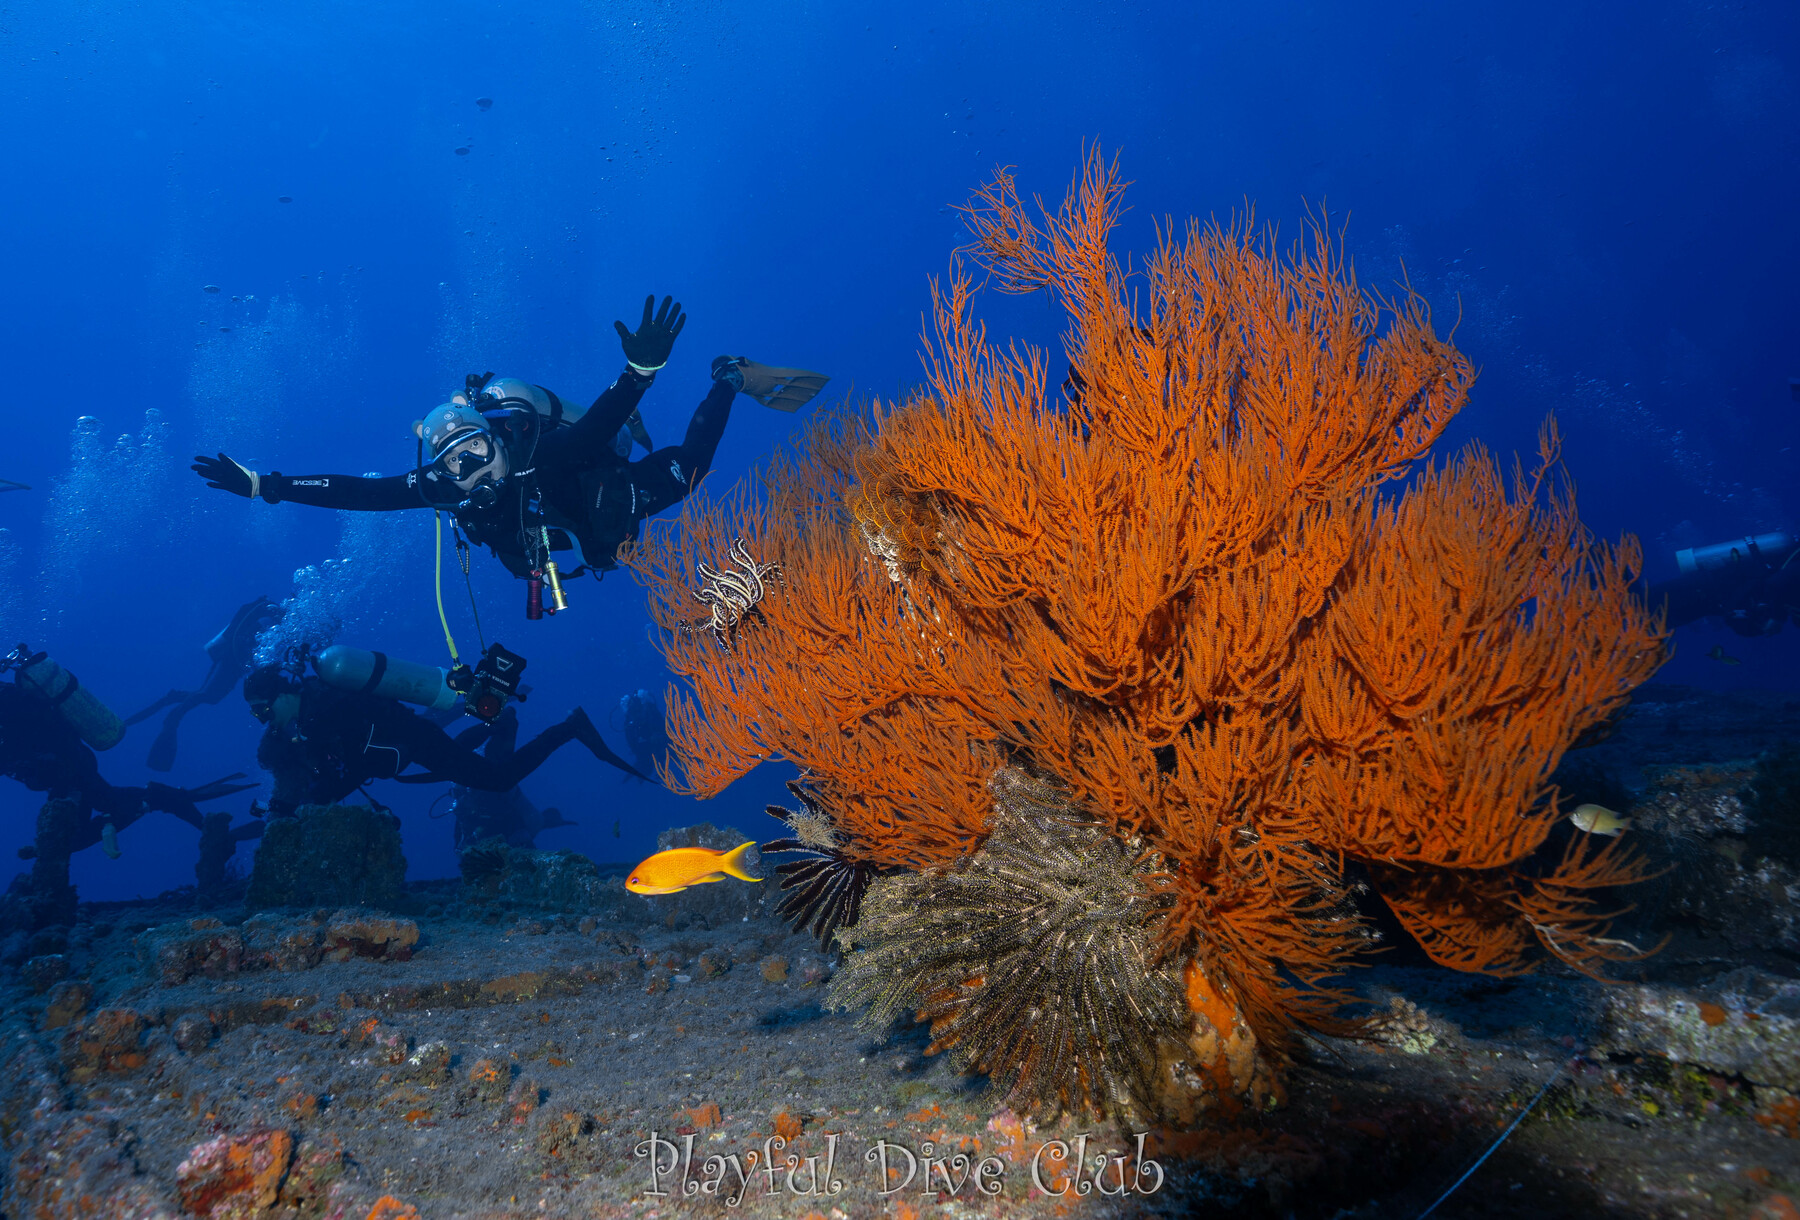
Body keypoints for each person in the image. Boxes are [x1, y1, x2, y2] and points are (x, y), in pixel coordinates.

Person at [192, 295, 829, 590]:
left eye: (477, 450)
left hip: (605, 491)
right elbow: (359, 494)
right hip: (585, 543)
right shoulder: (441, 488)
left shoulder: (534, 455)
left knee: (691, 468)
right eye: (455, 463)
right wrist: (264, 486)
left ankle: (729, 376)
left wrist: (640, 373)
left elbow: (596, 427)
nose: (471, 470)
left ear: (495, 438)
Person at [1, 665, 254, 926]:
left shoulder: (8, 706)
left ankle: (145, 804)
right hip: (71, 769)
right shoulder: (10, 705)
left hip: (70, 773)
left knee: (67, 836)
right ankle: (154, 802)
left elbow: (28, 743)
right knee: (99, 807)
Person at [244, 662, 645, 816]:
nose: (266, 719)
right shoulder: (318, 702)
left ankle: (568, 728)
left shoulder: (321, 712)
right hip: (413, 738)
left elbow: (355, 765)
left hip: (414, 740)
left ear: (282, 695)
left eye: (264, 709)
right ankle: (501, 722)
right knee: (471, 762)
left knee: (497, 779)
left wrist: (313, 797)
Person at [124, 596, 285, 771]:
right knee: (206, 695)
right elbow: (246, 640)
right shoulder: (271, 617)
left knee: (211, 697)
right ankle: (174, 717)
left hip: (235, 664)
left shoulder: (275, 619)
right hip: (230, 660)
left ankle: (173, 700)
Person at [1646, 530, 1800, 637]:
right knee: (1642, 602)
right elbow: (1776, 583)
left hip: (1720, 599)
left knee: (1652, 624)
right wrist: (1777, 617)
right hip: (1712, 584)